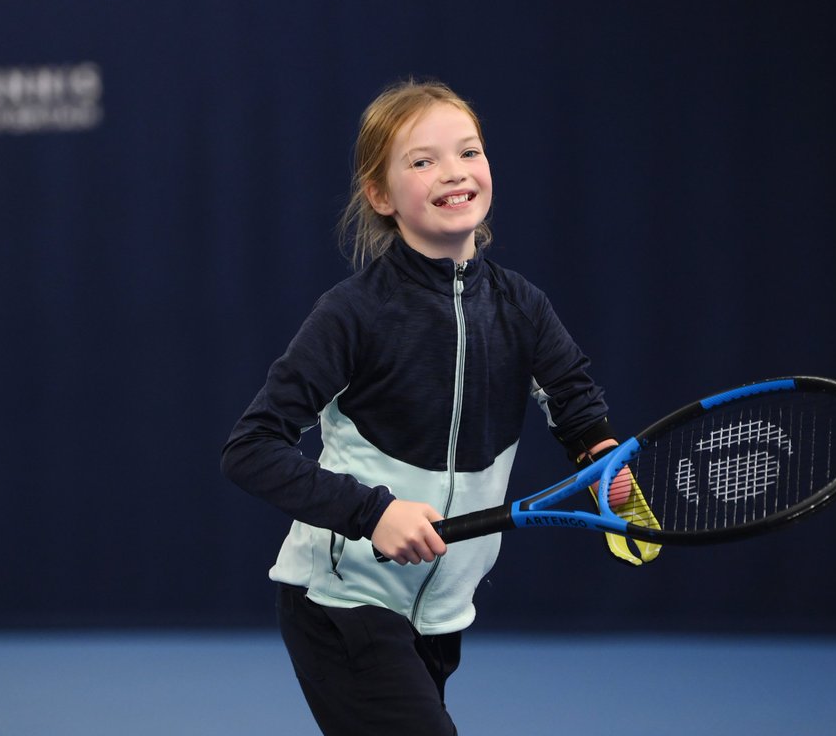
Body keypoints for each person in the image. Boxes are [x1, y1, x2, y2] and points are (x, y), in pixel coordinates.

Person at [221, 79, 635, 735]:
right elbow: (250, 450)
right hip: (341, 602)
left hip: (440, 613)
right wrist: (372, 513)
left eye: (469, 152)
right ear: (381, 196)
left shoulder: (522, 308)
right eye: (423, 160)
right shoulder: (352, 315)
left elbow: (578, 410)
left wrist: (609, 469)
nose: (454, 172)